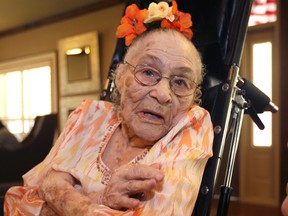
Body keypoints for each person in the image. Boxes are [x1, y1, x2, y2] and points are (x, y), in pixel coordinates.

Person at [4, 1, 213, 215]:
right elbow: (17, 201)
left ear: (193, 98)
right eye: (148, 72)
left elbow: (41, 194)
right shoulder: (87, 115)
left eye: (180, 82)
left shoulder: (192, 124)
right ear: (121, 78)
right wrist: (99, 200)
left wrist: (59, 192)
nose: (163, 94)